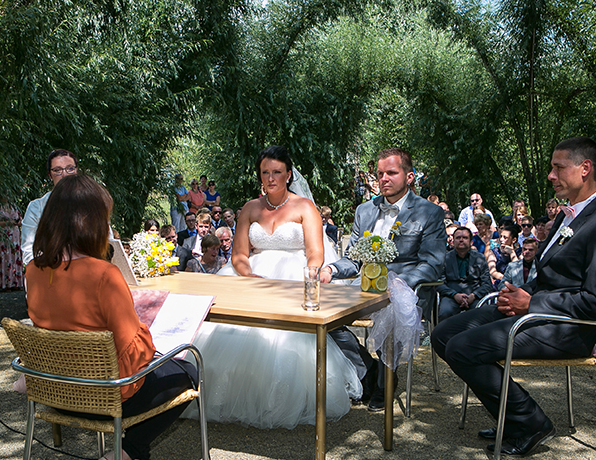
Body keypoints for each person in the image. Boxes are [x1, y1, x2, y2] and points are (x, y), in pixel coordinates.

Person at [431, 136, 596, 458]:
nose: (551, 175)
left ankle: (529, 422)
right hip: (536, 311)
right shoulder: (567, 216)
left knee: (462, 347)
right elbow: (552, 276)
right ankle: (510, 416)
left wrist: (531, 303)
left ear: (585, 168)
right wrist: (517, 294)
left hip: (568, 328)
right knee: (443, 334)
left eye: (558, 168)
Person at [25, 173, 197, 460]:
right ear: (90, 223)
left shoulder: (33, 271)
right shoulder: (104, 274)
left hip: (58, 394)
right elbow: (134, 353)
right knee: (188, 371)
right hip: (106, 397)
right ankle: (123, 453)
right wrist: (146, 331)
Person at [184, 146, 362, 429]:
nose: (270, 178)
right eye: (265, 172)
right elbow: (239, 254)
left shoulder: (305, 207)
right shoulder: (251, 208)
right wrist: (249, 276)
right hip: (253, 274)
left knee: (286, 339)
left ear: (288, 174)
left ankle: (281, 399)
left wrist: (308, 277)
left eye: (277, 172)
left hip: (293, 276)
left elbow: (316, 252)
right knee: (230, 334)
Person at [319, 148, 447, 411]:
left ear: (409, 176)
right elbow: (353, 259)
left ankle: (385, 382)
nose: (384, 179)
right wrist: (331, 269)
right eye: (380, 174)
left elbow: (432, 264)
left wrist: (399, 284)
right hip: (365, 287)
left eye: (391, 173)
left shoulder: (429, 212)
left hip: (406, 290)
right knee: (323, 316)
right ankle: (368, 369)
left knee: (391, 309)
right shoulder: (364, 210)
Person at [21, 149, 78, 265]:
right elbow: (29, 251)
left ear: (77, 171)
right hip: (50, 270)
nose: (64, 174)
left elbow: (108, 242)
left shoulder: (93, 204)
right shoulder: (36, 208)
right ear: (50, 175)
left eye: (70, 168)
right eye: (57, 170)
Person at [437, 227, 492, 322]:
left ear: (471, 242)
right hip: (451, 295)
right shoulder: (445, 259)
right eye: (458, 238)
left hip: (474, 296)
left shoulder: (480, 258)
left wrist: (473, 296)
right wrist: (454, 295)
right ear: (453, 241)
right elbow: (439, 283)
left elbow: (487, 284)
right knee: (445, 312)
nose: (461, 240)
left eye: (465, 238)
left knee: (482, 313)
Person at [0, 199, 24, 290]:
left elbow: (20, 220)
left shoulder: (13, 206)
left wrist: (17, 222)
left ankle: (16, 283)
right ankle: (5, 284)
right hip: (2, 237)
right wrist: (8, 222)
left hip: (14, 237)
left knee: (15, 257)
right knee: (5, 257)